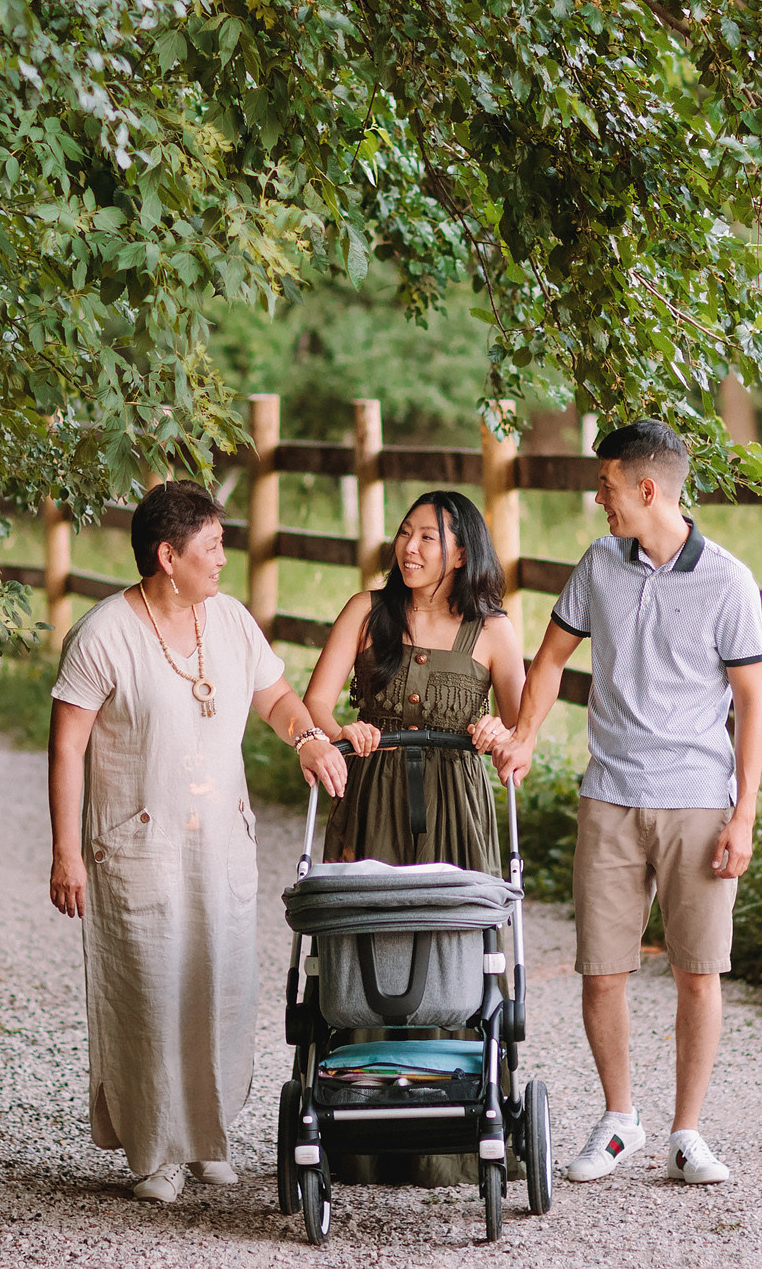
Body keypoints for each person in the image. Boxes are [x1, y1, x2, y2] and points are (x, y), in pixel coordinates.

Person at [47, 479, 350, 1205]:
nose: (223, 558)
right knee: (150, 990)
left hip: (220, 841)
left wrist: (306, 735)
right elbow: (66, 748)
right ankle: (155, 1151)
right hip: (138, 845)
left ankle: (207, 1134)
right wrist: (65, 851)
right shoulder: (104, 634)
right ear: (166, 555)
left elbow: (275, 696)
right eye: (210, 546)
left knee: (220, 983)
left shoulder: (232, 620)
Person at [490, 420, 762, 1187]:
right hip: (610, 795)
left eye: (606, 485)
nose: (597, 497)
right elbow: (548, 660)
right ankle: (620, 1120)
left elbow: (751, 703)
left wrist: (742, 814)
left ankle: (687, 1132)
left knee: (697, 971)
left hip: (699, 802)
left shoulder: (729, 581)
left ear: (649, 490)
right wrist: (524, 736)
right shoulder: (598, 565)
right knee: (602, 970)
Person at [298, 491, 525, 1186]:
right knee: (375, 944)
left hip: (458, 810)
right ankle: (360, 1138)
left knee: (452, 948)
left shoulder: (492, 629)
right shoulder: (367, 613)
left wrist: (499, 732)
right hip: (374, 804)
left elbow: (523, 734)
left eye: (429, 536)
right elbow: (315, 702)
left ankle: (455, 1140)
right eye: (406, 533)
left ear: (463, 550)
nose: (411, 547)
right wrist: (344, 727)